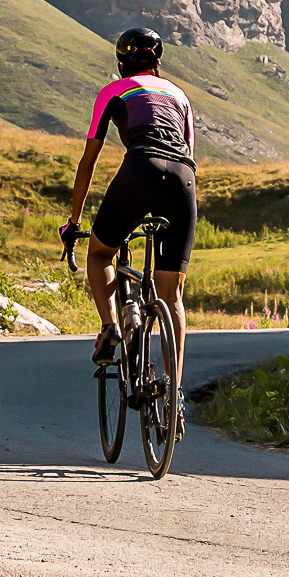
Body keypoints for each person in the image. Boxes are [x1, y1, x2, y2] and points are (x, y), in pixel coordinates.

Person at [62, 26, 196, 408]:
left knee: (101, 253)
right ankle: (173, 394)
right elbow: (189, 152)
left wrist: (74, 221)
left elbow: (89, 159)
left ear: (121, 63)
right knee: (173, 295)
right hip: (183, 180)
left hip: (140, 168)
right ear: (158, 62)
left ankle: (110, 328)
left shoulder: (112, 91)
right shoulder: (180, 95)